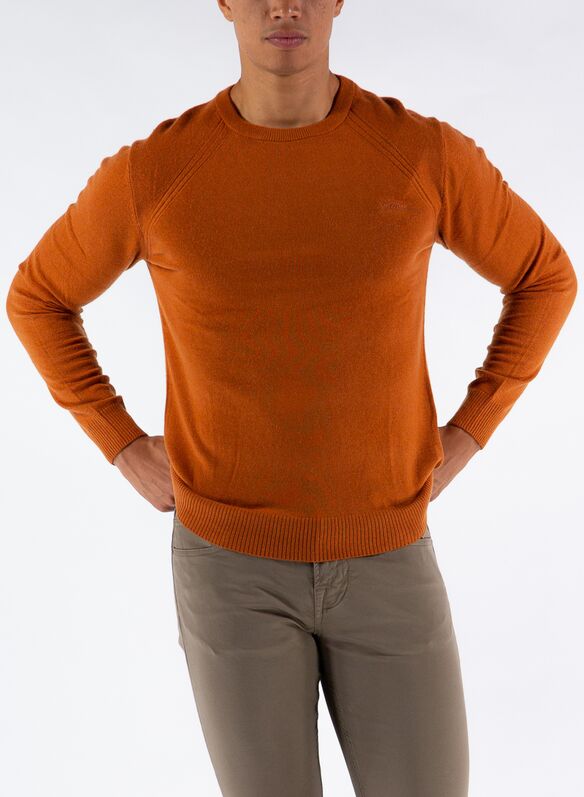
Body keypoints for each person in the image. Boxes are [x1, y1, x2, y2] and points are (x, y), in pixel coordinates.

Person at [6, 1, 578, 795]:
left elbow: (545, 278)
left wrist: (470, 431)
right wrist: (121, 441)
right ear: (224, 4)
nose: (284, 6)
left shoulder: (421, 154)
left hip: (388, 554)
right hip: (228, 569)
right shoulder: (157, 172)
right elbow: (37, 298)